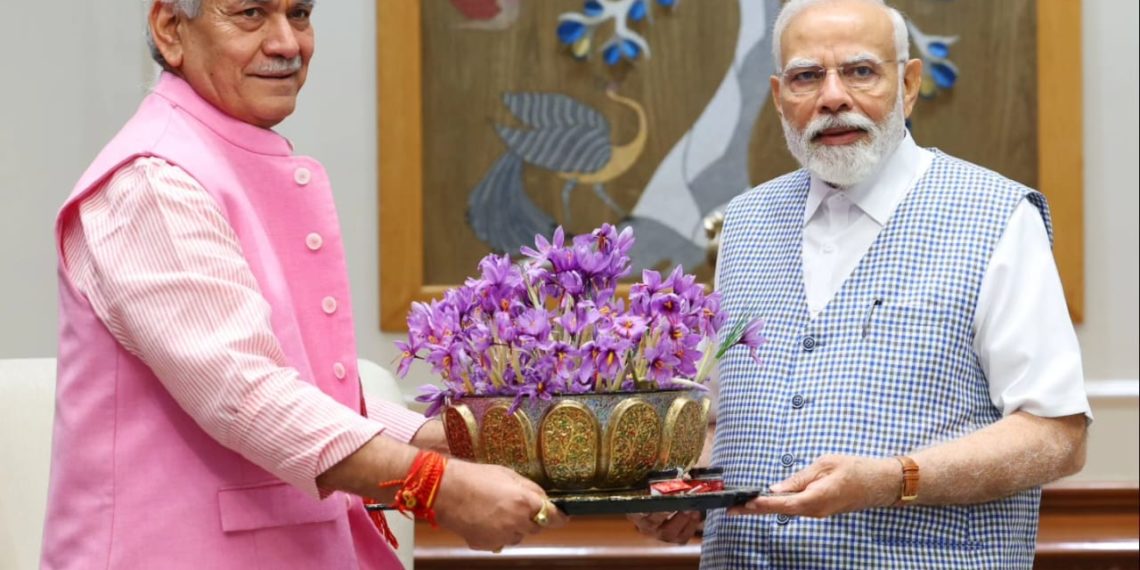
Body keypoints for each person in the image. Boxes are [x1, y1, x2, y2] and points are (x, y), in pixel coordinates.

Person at [42, 1, 566, 568]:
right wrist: (440, 486)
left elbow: (299, 388)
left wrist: (455, 439)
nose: (287, 43)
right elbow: (248, 396)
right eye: (250, 14)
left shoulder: (215, 157)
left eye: (299, 14)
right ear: (171, 29)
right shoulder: (153, 182)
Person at [630, 0, 1090, 567]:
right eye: (806, 76)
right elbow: (722, 419)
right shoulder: (744, 222)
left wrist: (891, 480)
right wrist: (689, 489)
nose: (832, 97)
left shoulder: (997, 216)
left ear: (910, 83)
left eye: (860, 70)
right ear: (779, 97)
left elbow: (1057, 436)